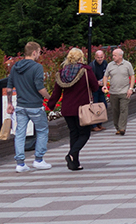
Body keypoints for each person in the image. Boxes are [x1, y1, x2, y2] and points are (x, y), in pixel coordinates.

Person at [50, 47, 100, 171]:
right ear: (81, 58)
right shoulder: (86, 70)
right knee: (84, 134)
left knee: (74, 134)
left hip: (67, 109)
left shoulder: (62, 73)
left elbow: (56, 92)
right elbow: (94, 87)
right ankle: (71, 154)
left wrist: (50, 105)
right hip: (82, 109)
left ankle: (74, 163)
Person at [6, 41, 52, 172]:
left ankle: (20, 163)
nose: (39, 55)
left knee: (20, 133)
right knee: (42, 131)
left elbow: (9, 87)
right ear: (34, 52)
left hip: (20, 106)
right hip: (35, 106)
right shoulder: (37, 67)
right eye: (39, 52)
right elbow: (40, 87)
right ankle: (38, 159)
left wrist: (10, 103)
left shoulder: (15, 67)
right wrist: (50, 97)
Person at [102, 47, 136, 136]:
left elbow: (132, 76)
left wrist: (131, 88)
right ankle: (117, 127)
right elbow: (105, 76)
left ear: (120, 56)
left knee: (123, 109)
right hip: (113, 92)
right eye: (113, 55)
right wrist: (105, 85)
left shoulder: (127, 64)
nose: (113, 57)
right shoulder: (110, 65)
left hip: (124, 91)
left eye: (115, 55)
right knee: (115, 110)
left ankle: (122, 128)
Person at [88, 48, 110, 130]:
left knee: (103, 105)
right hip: (94, 89)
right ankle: (93, 125)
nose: (100, 59)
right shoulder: (92, 65)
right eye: (98, 57)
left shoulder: (105, 63)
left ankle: (99, 123)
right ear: (95, 57)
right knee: (94, 106)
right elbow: (90, 78)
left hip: (102, 88)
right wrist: (96, 82)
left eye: (101, 57)